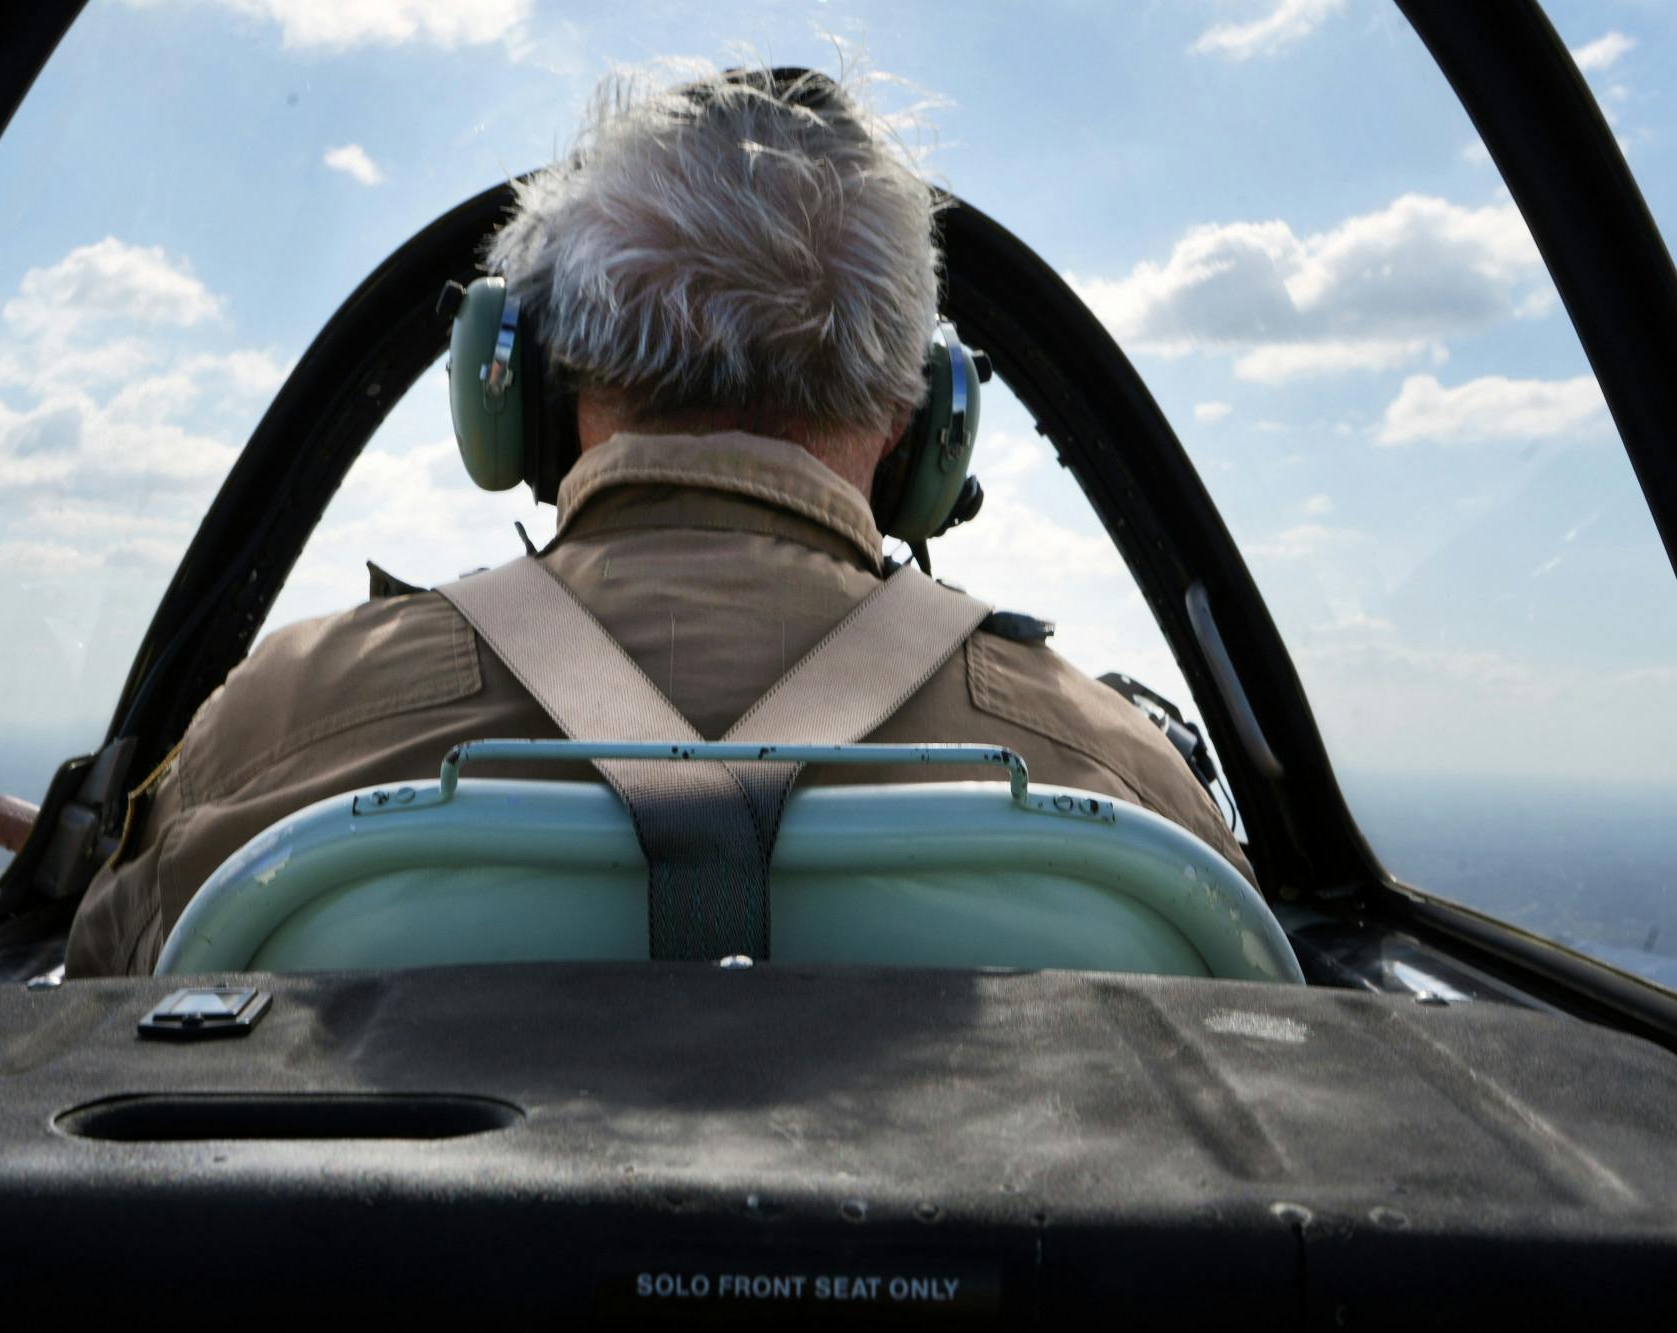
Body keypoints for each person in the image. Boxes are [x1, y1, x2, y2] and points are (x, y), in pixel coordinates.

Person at [65, 65, 1251, 977]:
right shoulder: (1126, 791)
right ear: (923, 418)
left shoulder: (277, 734)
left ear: (523, 377)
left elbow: (85, 1010)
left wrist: (160, 825)